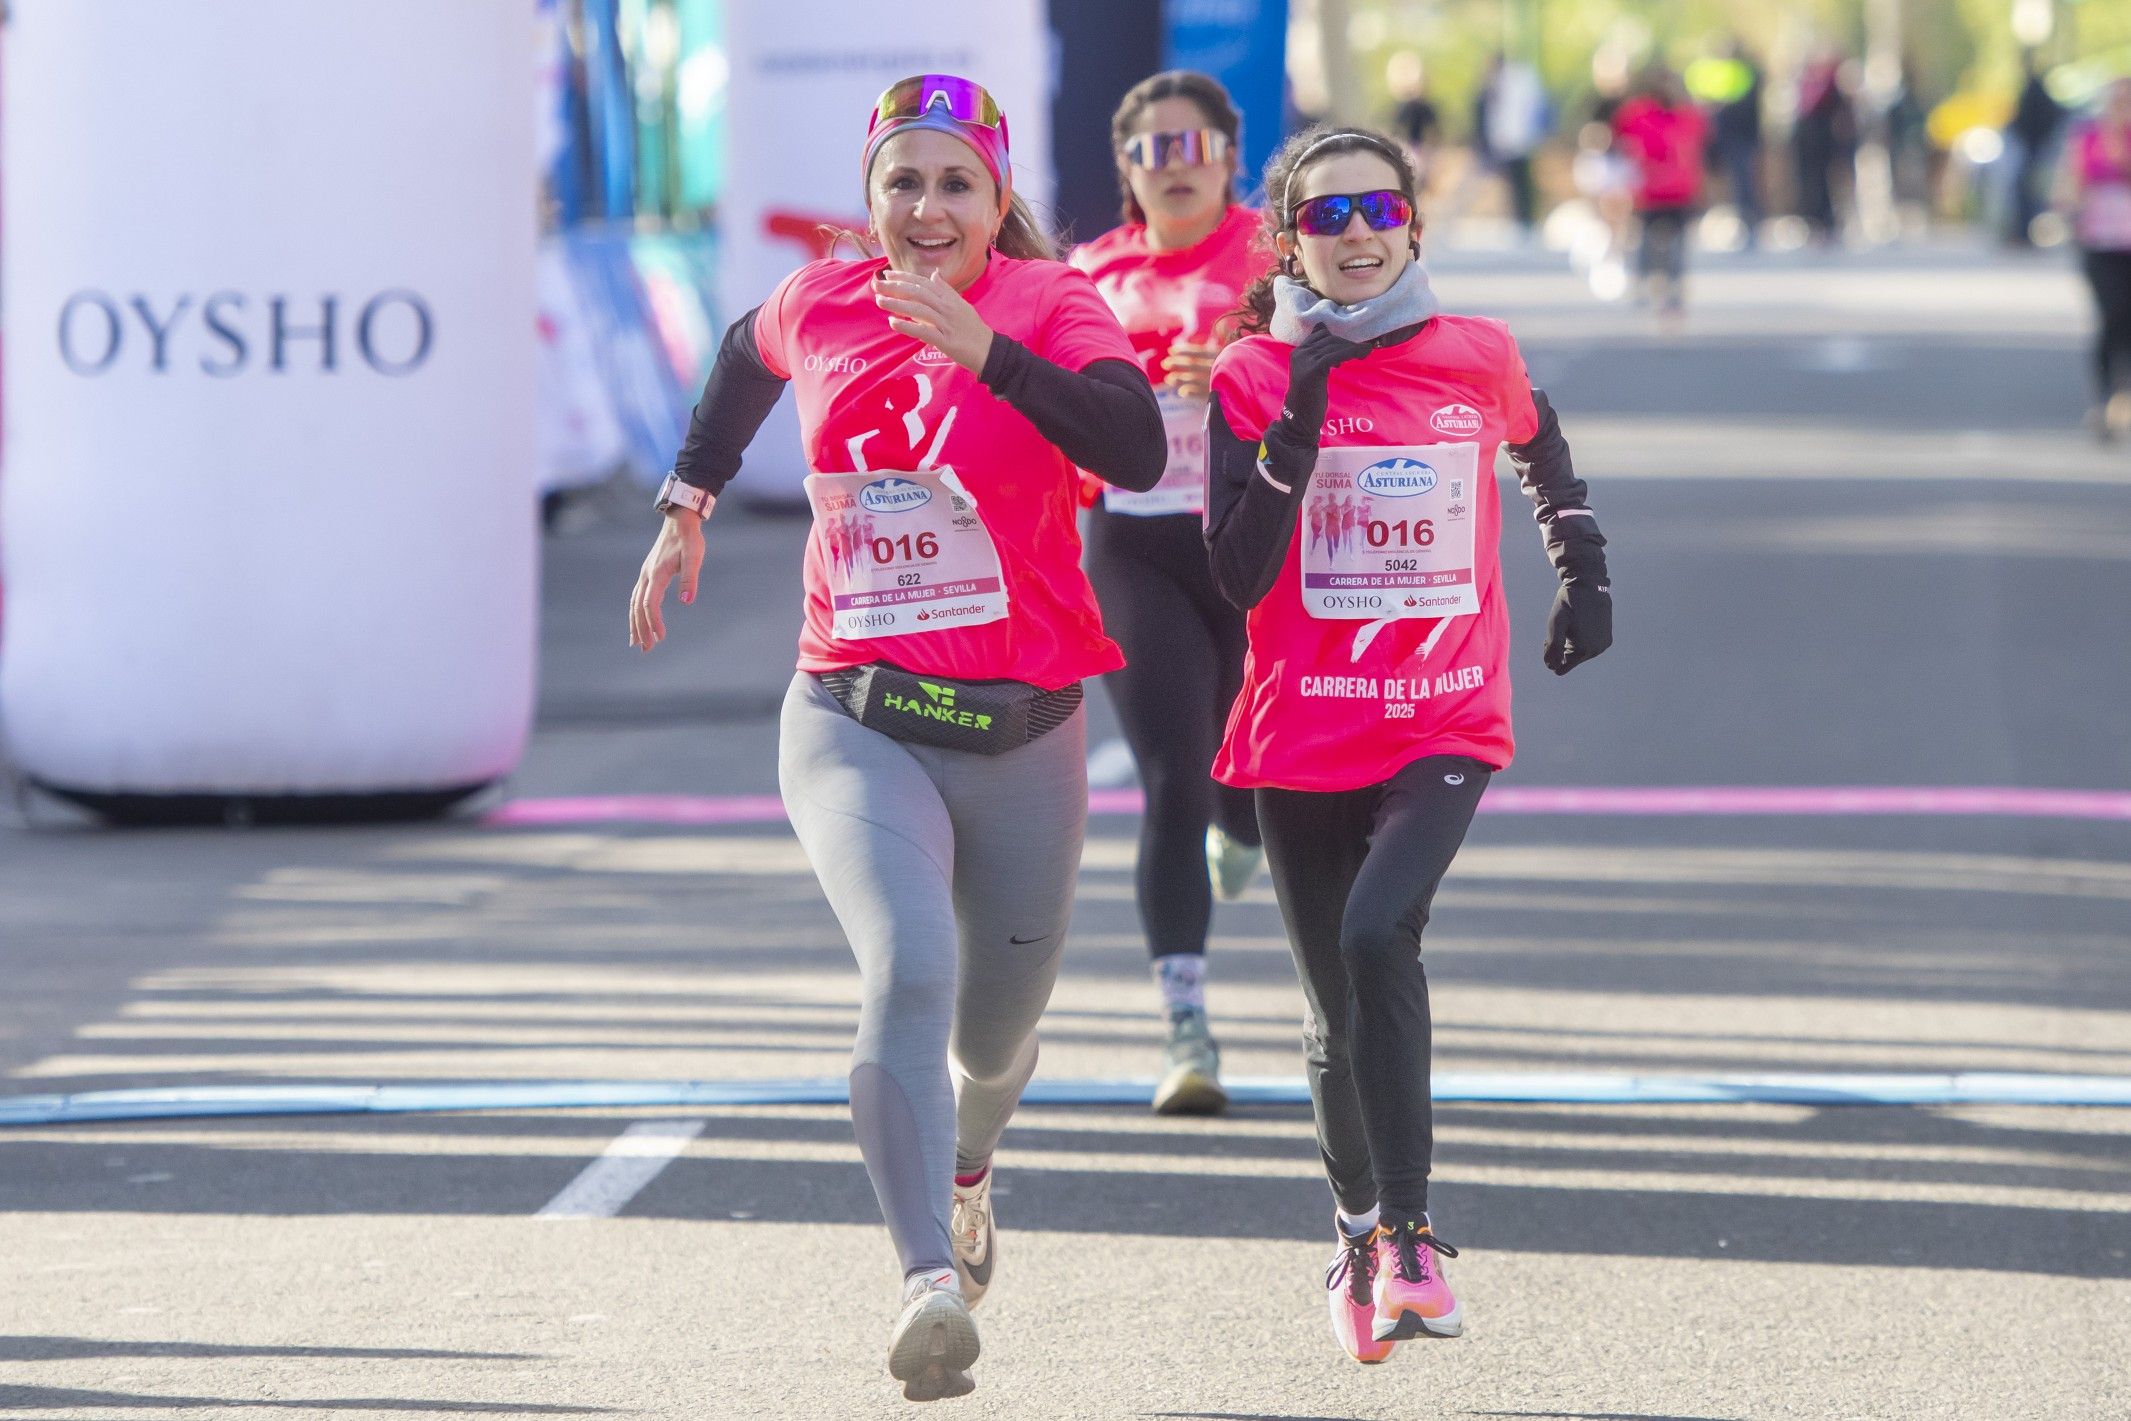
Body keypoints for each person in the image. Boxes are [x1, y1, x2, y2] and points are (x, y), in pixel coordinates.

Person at [627, 74, 1163, 1403]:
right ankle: (926, 1278)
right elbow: (742, 357)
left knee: (994, 1037)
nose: (927, 209)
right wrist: (688, 497)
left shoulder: (1050, 303)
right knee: (908, 963)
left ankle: (968, 1167)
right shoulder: (820, 300)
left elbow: (1138, 448)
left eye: (954, 184)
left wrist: (989, 356)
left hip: (1024, 732)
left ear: (996, 199)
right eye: (901, 182)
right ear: (870, 197)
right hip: (853, 714)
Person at [1202, 126, 1612, 1364]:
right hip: (1302, 724)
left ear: (1413, 224)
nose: (1357, 233)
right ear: (1290, 244)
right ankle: (1355, 1230)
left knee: (1379, 932)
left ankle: (1413, 1234)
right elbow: (1235, 572)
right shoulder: (1248, 374)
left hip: (1442, 712)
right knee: (1333, 1010)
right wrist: (1302, 405)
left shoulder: (1475, 350)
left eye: (1378, 209)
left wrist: (1580, 563)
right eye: (1325, 217)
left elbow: (1538, 441)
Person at [1067, 70, 1267, 1115]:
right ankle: (1186, 1026)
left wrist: (1242, 367)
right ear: (1126, 168)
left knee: (1249, 773)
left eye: (1194, 145)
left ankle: (1245, 822)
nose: (1174, 165)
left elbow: (1346, 367)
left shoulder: (1278, 255)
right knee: (1173, 776)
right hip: (1136, 545)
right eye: (1153, 149)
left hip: (1255, 542)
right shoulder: (1087, 273)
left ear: (1229, 155)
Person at [2059, 78, 2131, 440]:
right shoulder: (2088, 138)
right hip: (2100, 243)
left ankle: (2123, 395)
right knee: (2112, 315)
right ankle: (2106, 396)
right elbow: (2071, 184)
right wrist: (2069, 212)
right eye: (2116, 101)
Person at [1613, 66, 1710, 316]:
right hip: (1675, 188)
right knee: (1668, 241)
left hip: (1657, 188)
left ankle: (1649, 285)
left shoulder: (1640, 114)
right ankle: (1667, 289)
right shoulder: (1687, 116)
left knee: (1651, 239)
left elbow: (1620, 138)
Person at [1472, 53, 1550, 235]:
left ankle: (1525, 219)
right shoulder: (1507, 83)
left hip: (1515, 141)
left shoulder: (1512, 83)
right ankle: (1521, 218)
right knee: (1516, 183)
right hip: (1512, 141)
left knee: (1521, 183)